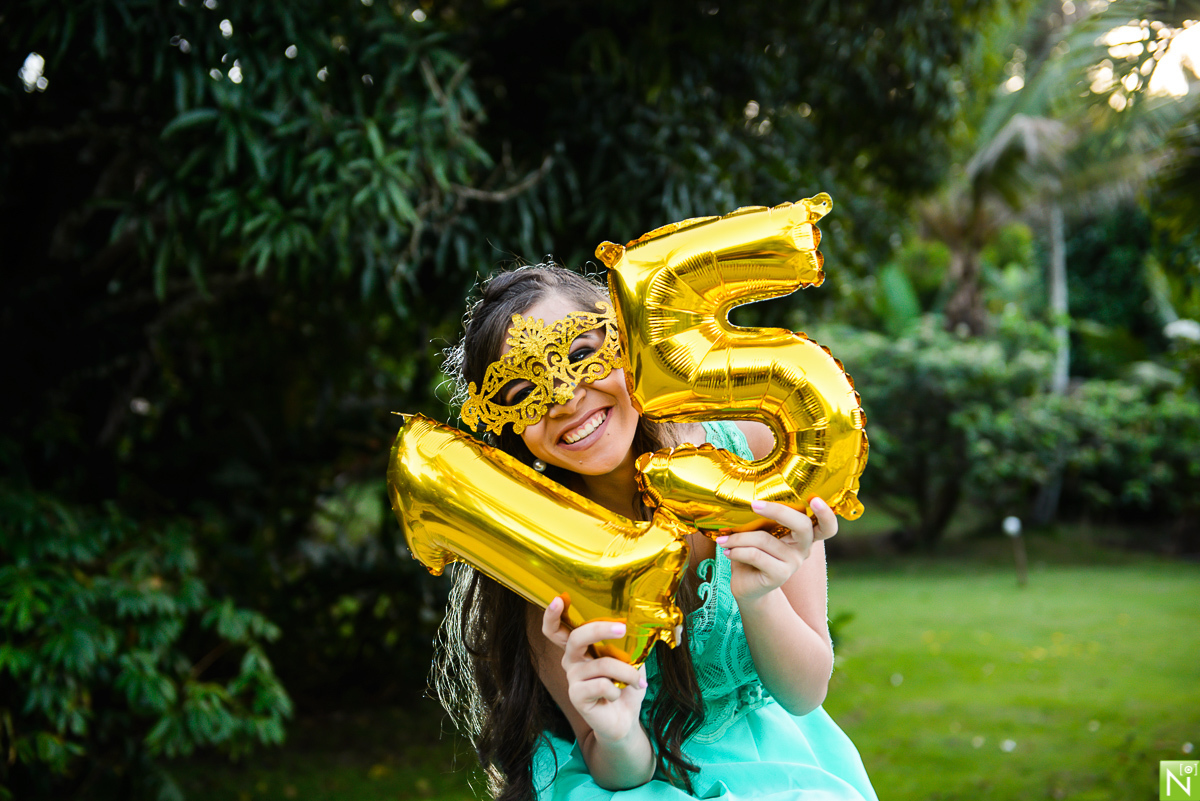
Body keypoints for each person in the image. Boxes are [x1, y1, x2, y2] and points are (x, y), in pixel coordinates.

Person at [434, 264, 878, 801]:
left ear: (626, 344)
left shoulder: (762, 450)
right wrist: (616, 729)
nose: (567, 398)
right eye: (522, 390)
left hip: (781, 769)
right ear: (505, 425)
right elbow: (619, 770)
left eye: (580, 355)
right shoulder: (543, 556)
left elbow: (806, 691)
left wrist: (759, 596)